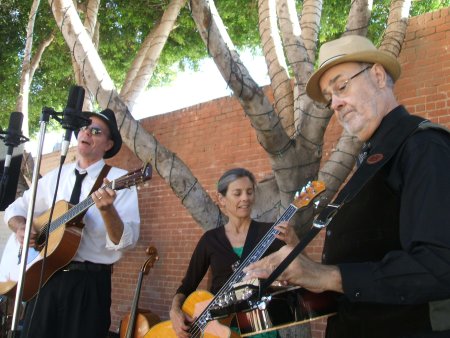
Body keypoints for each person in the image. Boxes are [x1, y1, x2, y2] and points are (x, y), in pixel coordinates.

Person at [244, 35, 450, 337]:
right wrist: (301, 276)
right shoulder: (371, 160)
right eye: (330, 97)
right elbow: (365, 268)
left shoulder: (423, 147)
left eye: (342, 87)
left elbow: (438, 266)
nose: (336, 104)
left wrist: (325, 275)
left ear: (378, 75)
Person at [4, 108, 140, 338]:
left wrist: (107, 210)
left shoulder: (118, 178)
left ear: (108, 144)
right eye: (84, 127)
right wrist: (21, 227)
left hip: (88, 284)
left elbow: (125, 242)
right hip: (45, 277)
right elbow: (16, 208)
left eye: (96, 131)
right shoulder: (58, 175)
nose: (87, 133)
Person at [169, 168, 298, 338]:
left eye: (249, 192)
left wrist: (294, 242)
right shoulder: (210, 240)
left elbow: (303, 273)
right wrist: (175, 310)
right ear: (221, 199)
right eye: (237, 193)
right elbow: (187, 286)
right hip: (218, 331)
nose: (245, 198)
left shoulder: (271, 233)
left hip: (262, 330)